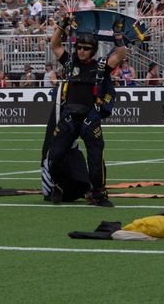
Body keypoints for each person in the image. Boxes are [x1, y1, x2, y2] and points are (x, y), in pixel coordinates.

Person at [45, 16, 127, 207]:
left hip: (90, 119)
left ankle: (98, 194)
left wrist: (117, 34)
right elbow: (55, 45)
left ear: (93, 51)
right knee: (55, 154)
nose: (81, 51)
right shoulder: (69, 63)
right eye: (79, 47)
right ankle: (59, 186)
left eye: (85, 48)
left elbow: (120, 54)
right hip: (69, 117)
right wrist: (61, 25)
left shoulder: (101, 66)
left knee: (95, 159)